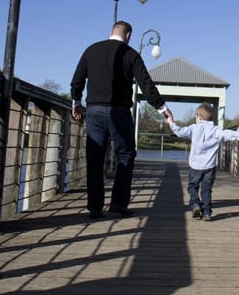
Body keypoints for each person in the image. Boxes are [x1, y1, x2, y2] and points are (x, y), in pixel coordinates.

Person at [70, 21, 172, 219]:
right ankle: (118, 204)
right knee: (125, 155)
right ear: (128, 36)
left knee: (95, 158)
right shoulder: (131, 54)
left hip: (95, 110)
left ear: (111, 32)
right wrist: (162, 107)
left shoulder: (91, 50)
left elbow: (78, 80)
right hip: (119, 112)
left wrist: (76, 102)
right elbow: (145, 84)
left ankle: (95, 206)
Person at [167, 103, 239, 221]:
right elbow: (227, 134)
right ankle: (207, 212)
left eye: (196, 117)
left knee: (193, 187)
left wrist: (171, 123)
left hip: (195, 166)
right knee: (206, 189)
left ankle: (195, 204)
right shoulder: (216, 130)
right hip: (209, 167)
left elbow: (180, 132)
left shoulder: (194, 128)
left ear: (199, 118)